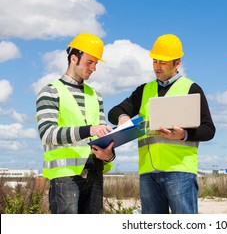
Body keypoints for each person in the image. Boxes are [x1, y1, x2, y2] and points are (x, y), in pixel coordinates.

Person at [108, 33, 215, 214]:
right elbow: (114, 112)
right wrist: (122, 118)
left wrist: (184, 134)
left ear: (177, 63)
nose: (157, 67)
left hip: (179, 171)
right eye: (155, 61)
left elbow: (209, 129)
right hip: (148, 173)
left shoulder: (191, 89)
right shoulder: (144, 90)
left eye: (163, 62)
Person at [36, 33, 116, 214]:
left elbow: (101, 133)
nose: (94, 68)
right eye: (90, 62)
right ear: (74, 58)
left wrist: (109, 154)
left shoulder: (96, 95)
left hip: (95, 172)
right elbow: (47, 134)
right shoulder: (50, 91)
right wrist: (89, 130)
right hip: (65, 175)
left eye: (96, 63)